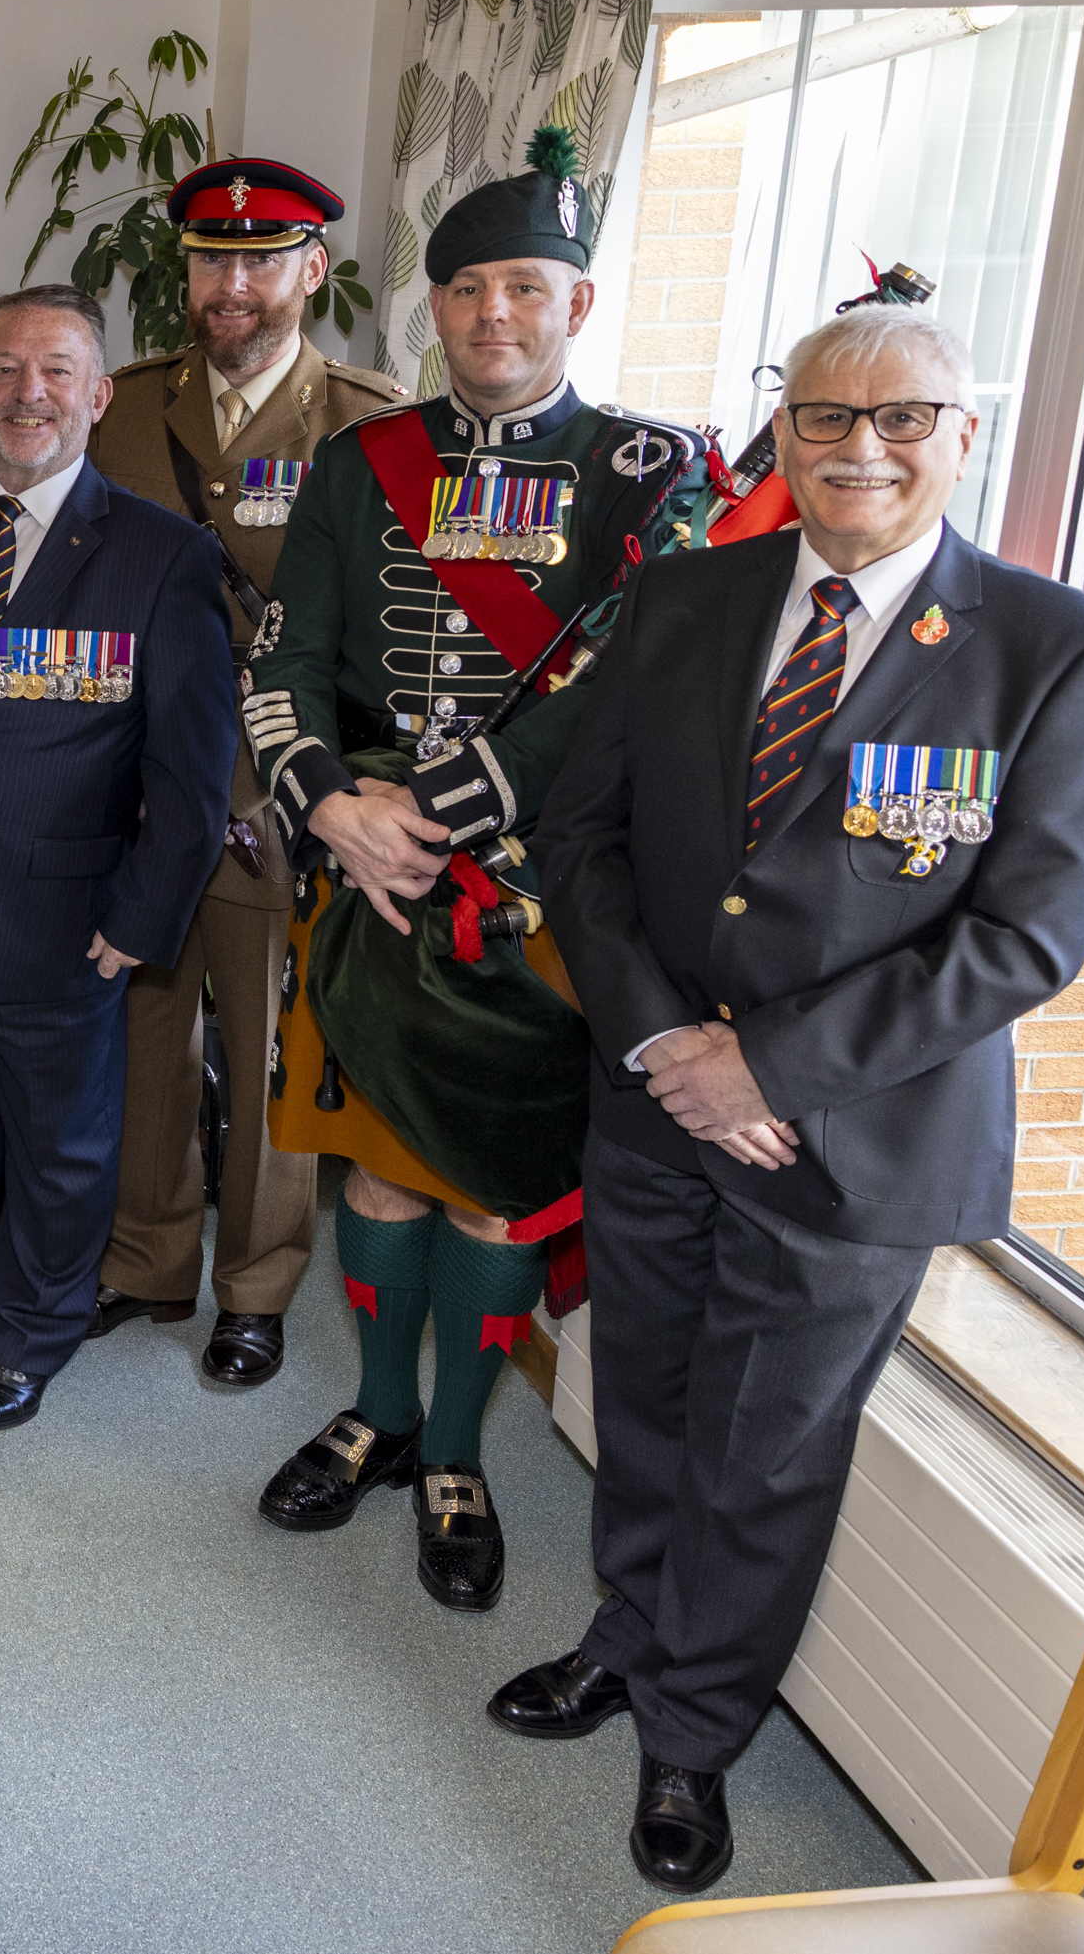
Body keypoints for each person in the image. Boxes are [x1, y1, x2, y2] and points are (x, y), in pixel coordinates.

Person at [496, 302, 1084, 1892]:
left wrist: (765, 1067)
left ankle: (694, 1731)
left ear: (963, 435)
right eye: (826, 416)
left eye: (903, 416)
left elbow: (1027, 937)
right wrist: (667, 1045)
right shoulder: (685, 597)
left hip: (855, 1141)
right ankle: (629, 1633)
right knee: (646, 1396)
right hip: (657, 1100)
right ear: (782, 432)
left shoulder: (1062, 651)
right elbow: (580, 837)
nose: (863, 446)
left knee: (767, 1449)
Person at [241, 130, 707, 1612]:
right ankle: (378, 1413)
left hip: (540, 884)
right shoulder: (357, 462)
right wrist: (330, 806)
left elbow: (633, 684)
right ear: (432, 308)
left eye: (525, 287)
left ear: (577, 304)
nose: (493, 313)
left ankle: (453, 1452)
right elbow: (285, 663)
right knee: (381, 1167)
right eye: (466, 290)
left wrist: (451, 802)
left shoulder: (650, 475)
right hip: (370, 868)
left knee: (499, 1185)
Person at [0, 285, 234, 1431]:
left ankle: (28, 1336)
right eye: (6, 370)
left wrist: (142, 916)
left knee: (60, 1152)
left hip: (65, 921)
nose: (30, 394)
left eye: (57, 370)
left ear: (98, 394)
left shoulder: (164, 554)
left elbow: (193, 767)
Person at [87, 161, 402, 1386]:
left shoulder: (369, 424)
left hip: (278, 787)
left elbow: (381, 631)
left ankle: (257, 1286)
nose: (233, 283)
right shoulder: (124, 408)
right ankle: (146, 1258)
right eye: (213, 259)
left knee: (273, 1041)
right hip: (138, 782)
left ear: (311, 270)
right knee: (143, 1029)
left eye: (262, 259)